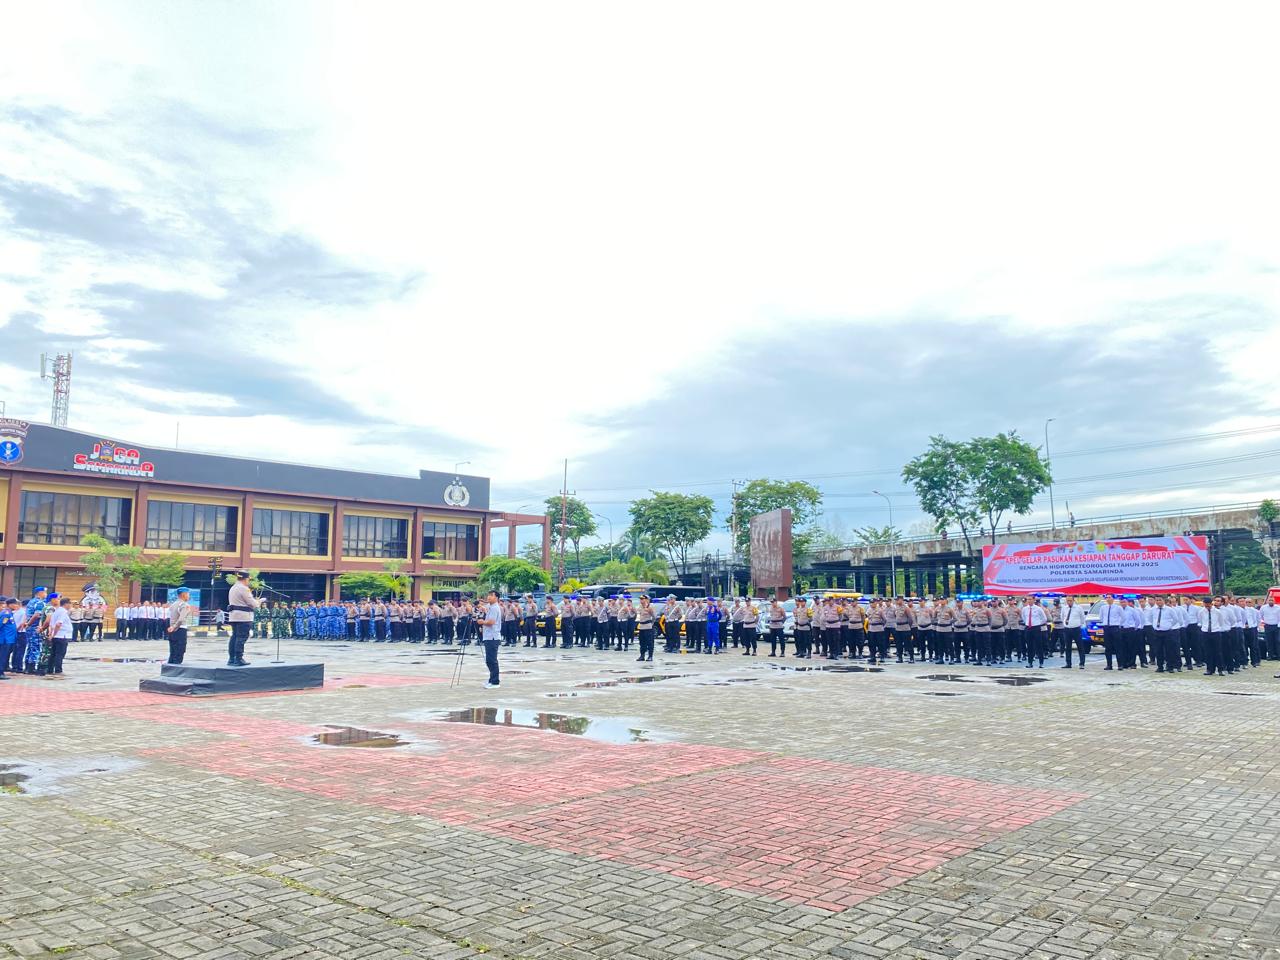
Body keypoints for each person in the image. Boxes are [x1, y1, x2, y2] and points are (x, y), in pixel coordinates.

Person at [227, 570, 260, 667]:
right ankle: (238, 659)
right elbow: (252, 604)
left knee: (234, 637)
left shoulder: (233, 587)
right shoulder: (244, 588)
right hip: (243, 617)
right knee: (241, 638)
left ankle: (232, 658)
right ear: (246, 579)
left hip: (234, 616)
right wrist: (259, 601)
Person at [478, 589, 503, 688]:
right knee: (489, 660)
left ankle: (495, 682)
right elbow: (485, 608)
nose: (488, 597)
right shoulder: (491, 607)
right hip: (488, 636)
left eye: (491, 595)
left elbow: (491, 622)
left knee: (492, 660)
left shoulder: (495, 608)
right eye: (488, 595)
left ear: (496, 598)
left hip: (492, 637)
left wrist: (482, 622)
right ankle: (491, 680)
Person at [43, 596, 74, 676]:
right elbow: (58, 624)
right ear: (66, 604)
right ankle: (58, 670)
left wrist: (51, 634)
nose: (71, 606)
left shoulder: (56, 611)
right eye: (70, 604)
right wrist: (54, 634)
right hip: (61, 636)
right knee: (60, 654)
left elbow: (51, 624)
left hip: (56, 636)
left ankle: (50, 669)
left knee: (53, 654)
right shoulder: (63, 612)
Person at [166, 588, 193, 665]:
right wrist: (174, 627)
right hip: (180, 629)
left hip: (172, 630)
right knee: (179, 651)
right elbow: (181, 619)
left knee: (173, 651)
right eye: (188, 594)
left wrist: (172, 627)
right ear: (184, 594)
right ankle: (176, 668)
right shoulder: (184, 605)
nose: (189, 596)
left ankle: (169, 668)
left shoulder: (173, 604)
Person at [1062, 597, 1087, 668]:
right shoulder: (1064, 608)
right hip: (1067, 629)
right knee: (1068, 647)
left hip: (1076, 629)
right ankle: (1068, 663)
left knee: (1080, 646)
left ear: (1073, 600)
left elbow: (1082, 618)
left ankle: (1082, 663)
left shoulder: (1078, 608)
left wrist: (1079, 625)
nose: (1069, 602)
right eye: (1067, 601)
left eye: (1070, 600)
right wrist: (1065, 624)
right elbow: (1062, 617)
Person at [0, 596, 18, 680]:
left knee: (5, 656)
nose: (17, 605)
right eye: (15, 604)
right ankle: (0, 672)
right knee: (2, 656)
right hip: (5, 639)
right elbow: (1, 624)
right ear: (10, 604)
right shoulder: (6, 614)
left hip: (9, 639)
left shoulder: (9, 613)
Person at [636, 596, 657, 662]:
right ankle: (642, 655)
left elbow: (654, 617)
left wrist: (651, 623)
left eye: (642, 599)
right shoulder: (640, 607)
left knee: (649, 642)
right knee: (642, 642)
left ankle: (650, 656)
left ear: (646, 600)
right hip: (641, 626)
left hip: (648, 626)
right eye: (640, 599)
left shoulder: (651, 607)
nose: (641, 600)